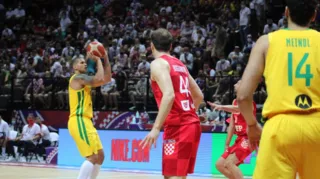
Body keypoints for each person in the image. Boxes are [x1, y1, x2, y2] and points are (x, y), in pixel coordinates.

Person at [236, 0, 320, 178]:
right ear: (314, 15)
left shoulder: (266, 42)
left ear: (286, 12)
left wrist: (251, 124)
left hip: (279, 126)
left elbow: (243, 95)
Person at [140, 28, 204, 179]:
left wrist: (155, 128)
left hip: (180, 128)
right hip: (190, 126)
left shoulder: (158, 64)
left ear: (152, 46)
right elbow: (199, 95)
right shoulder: (180, 64)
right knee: (173, 175)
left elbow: (168, 95)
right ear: (170, 46)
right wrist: (189, 114)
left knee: (173, 176)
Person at [68, 51, 111, 179]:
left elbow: (106, 78)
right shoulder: (77, 78)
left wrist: (105, 58)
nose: (85, 64)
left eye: (85, 62)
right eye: (81, 63)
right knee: (92, 157)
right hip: (78, 119)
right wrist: (98, 60)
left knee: (100, 156)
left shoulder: (84, 79)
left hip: (86, 121)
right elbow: (98, 79)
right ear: (75, 67)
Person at [208, 80, 256, 179]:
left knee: (230, 163)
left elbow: (239, 109)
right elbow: (232, 126)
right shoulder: (234, 101)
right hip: (239, 139)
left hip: (249, 138)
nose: (234, 84)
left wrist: (221, 107)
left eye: (238, 83)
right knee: (220, 165)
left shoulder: (248, 100)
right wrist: (227, 143)